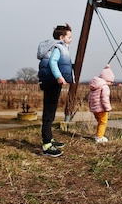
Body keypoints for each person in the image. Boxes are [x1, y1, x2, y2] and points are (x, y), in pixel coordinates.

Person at [37, 24, 74, 157]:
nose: (71, 39)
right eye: (69, 37)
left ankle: (50, 138)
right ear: (61, 37)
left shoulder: (58, 47)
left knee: (50, 111)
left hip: (51, 81)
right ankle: (47, 144)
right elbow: (53, 62)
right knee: (49, 112)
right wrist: (59, 77)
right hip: (52, 82)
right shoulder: (59, 47)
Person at [88, 64, 115, 143]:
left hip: (94, 108)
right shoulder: (104, 87)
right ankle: (99, 137)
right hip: (101, 108)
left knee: (100, 122)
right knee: (103, 122)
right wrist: (107, 108)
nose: (111, 83)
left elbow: (90, 97)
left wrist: (90, 107)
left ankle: (98, 135)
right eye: (111, 81)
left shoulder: (94, 86)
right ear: (107, 79)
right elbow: (105, 99)